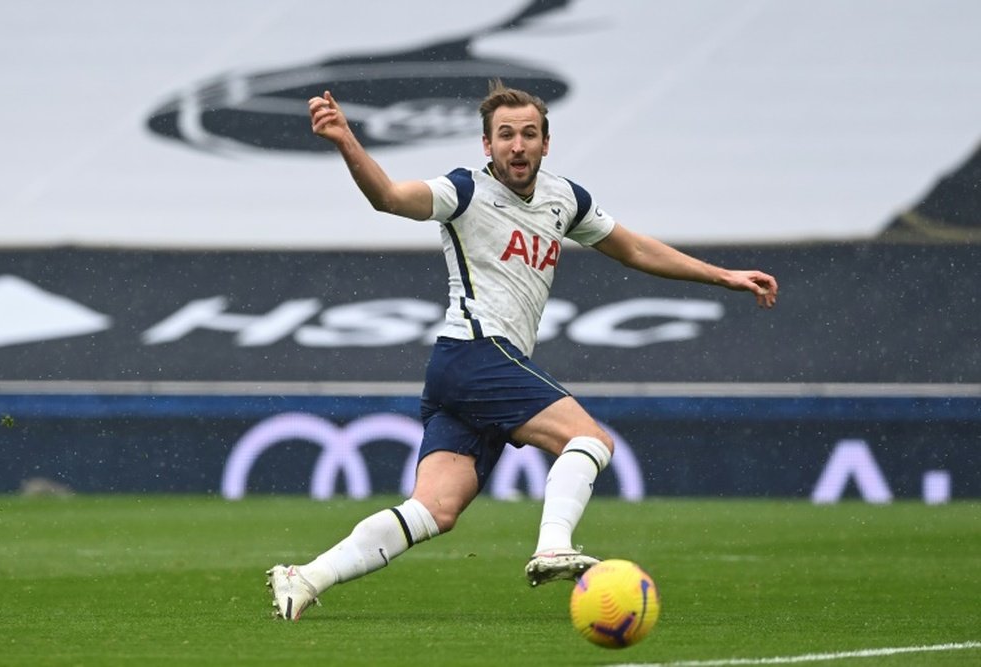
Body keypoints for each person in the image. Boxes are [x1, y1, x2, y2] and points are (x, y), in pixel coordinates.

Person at [267, 80, 778, 621]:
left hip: (463, 372)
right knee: (590, 440)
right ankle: (553, 545)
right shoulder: (463, 191)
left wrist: (722, 275)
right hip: (476, 352)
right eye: (505, 135)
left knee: (434, 510)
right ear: (487, 145)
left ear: (545, 143)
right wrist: (347, 140)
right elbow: (390, 198)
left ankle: (306, 577)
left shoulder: (566, 199)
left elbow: (632, 247)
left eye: (528, 134)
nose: (517, 145)